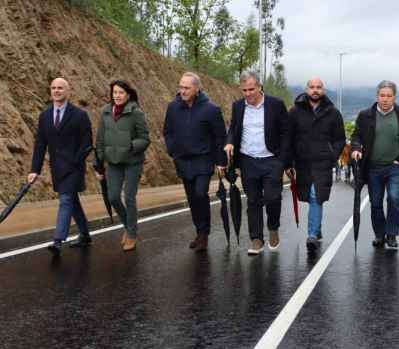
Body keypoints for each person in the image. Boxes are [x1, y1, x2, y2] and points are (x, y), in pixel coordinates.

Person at [224, 71, 291, 256]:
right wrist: (229, 142)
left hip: (271, 160)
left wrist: (282, 161)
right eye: (244, 90)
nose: (247, 93)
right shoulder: (238, 106)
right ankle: (256, 239)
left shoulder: (275, 105)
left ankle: (273, 228)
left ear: (260, 87)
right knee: (253, 201)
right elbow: (234, 129)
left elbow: (286, 133)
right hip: (248, 160)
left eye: (251, 89)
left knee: (272, 197)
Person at [28, 77, 93, 256]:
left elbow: (87, 143)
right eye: (53, 88)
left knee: (65, 199)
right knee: (72, 201)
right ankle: (85, 235)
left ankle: (58, 240)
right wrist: (35, 170)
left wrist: (75, 160)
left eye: (60, 88)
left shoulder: (80, 115)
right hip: (57, 169)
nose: (56, 91)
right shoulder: (45, 116)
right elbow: (40, 144)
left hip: (74, 168)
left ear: (68, 91)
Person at [163, 72, 227, 251]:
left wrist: (221, 162)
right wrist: (172, 150)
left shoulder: (211, 109)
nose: (182, 91)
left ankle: (204, 233)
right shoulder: (173, 107)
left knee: (200, 193)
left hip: (203, 160)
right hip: (182, 160)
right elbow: (167, 131)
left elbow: (219, 137)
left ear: (197, 89)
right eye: (180, 87)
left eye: (186, 88)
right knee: (192, 198)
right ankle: (199, 232)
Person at [351, 80, 399, 249]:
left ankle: (392, 235)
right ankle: (380, 234)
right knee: (376, 203)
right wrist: (356, 148)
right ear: (377, 96)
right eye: (382, 95)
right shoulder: (365, 115)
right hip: (373, 167)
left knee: (394, 199)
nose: (385, 99)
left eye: (389, 96)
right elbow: (356, 136)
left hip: (395, 167)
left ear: (394, 97)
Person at [288, 77, 346, 252]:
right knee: (309, 196)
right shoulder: (294, 112)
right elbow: (288, 139)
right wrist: (289, 162)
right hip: (302, 162)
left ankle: (312, 234)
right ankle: (317, 228)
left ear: (323, 90)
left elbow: (340, 139)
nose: (315, 90)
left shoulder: (333, 113)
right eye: (312, 87)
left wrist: (332, 155)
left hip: (323, 162)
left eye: (318, 87)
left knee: (316, 195)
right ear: (306, 90)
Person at [95, 80, 150, 251]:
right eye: (115, 92)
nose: (117, 96)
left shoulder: (136, 113)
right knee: (112, 197)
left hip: (133, 161)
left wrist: (131, 146)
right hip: (113, 162)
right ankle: (128, 225)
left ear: (127, 95)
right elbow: (100, 140)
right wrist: (98, 164)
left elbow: (145, 138)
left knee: (129, 197)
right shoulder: (105, 112)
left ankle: (132, 234)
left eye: (120, 92)